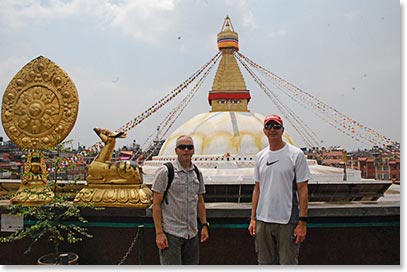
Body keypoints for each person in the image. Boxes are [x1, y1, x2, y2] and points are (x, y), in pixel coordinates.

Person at [248, 114, 311, 265]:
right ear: (264, 131)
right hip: (263, 219)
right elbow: (257, 188)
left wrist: (302, 222)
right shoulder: (260, 156)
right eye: (268, 126)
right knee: (264, 263)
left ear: (283, 130)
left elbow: (302, 189)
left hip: (287, 219)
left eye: (276, 126)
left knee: (288, 263)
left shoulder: (296, 154)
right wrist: (253, 218)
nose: (272, 130)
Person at [152, 135, 209, 265]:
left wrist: (204, 225)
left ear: (194, 150)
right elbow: (156, 204)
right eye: (182, 147)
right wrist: (159, 233)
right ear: (176, 150)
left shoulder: (197, 173)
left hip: (192, 233)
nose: (186, 150)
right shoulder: (166, 172)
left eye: (189, 147)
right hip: (172, 233)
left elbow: (199, 200)